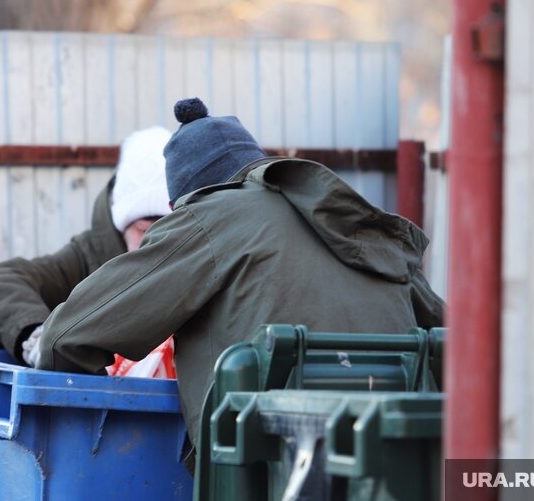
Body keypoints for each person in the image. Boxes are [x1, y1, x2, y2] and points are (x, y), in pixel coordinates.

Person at [33, 98, 445, 451]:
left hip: (265, 471)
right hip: (397, 463)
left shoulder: (208, 219)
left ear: (185, 202)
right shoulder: (349, 221)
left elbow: (65, 338)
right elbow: (451, 341)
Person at [0, 126, 173, 368]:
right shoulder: (88, 257)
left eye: (167, 229)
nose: (153, 241)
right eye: (142, 230)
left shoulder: (195, 256)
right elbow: (0, 282)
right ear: (121, 223)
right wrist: (37, 338)